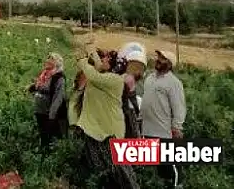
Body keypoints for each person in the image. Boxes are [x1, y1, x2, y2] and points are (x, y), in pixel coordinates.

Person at [74, 44, 139, 189]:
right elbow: (99, 65)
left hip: (110, 132)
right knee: (101, 167)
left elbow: (93, 75)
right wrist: (91, 50)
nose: (103, 60)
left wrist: (82, 60)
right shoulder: (107, 74)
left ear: (113, 66)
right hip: (96, 129)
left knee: (120, 171)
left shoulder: (115, 80)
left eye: (107, 59)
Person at [141, 49, 186, 188]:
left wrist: (177, 127)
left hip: (163, 131)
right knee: (157, 165)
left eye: (163, 58)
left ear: (170, 64)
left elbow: (179, 106)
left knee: (170, 165)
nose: (159, 60)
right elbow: (146, 100)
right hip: (147, 128)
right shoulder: (149, 78)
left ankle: (177, 185)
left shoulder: (174, 82)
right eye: (159, 57)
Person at [28, 52, 68, 150]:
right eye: (48, 58)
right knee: (43, 133)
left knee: (52, 135)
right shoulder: (45, 75)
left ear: (57, 63)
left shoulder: (59, 77)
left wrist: (52, 115)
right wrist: (32, 87)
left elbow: (58, 97)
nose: (48, 61)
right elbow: (41, 88)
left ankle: (50, 155)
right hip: (40, 110)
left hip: (50, 112)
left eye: (51, 59)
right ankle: (43, 151)